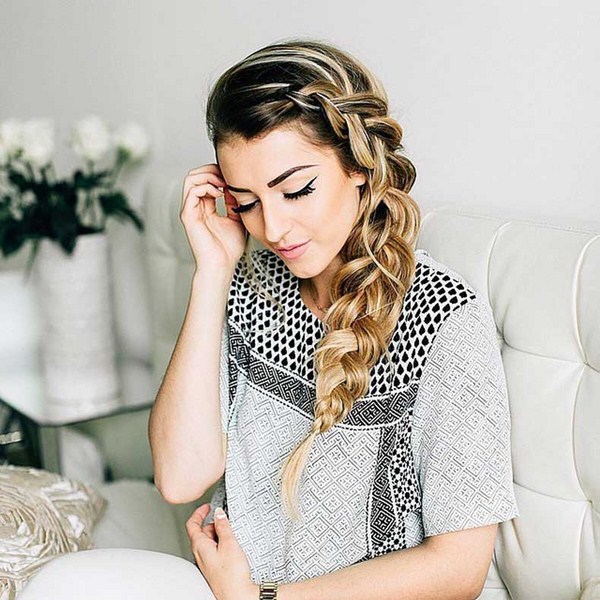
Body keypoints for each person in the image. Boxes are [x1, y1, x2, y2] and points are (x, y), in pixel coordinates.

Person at [23, 38, 518, 600]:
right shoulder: (252, 284)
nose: (274, 229)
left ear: (359, 166)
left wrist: (263, 598)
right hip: (228, 590)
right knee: (59, 585)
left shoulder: (443, 316)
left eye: (296, 190)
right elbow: (181, 477)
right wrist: (212, 273)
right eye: (248, 201)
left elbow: (459, 569)